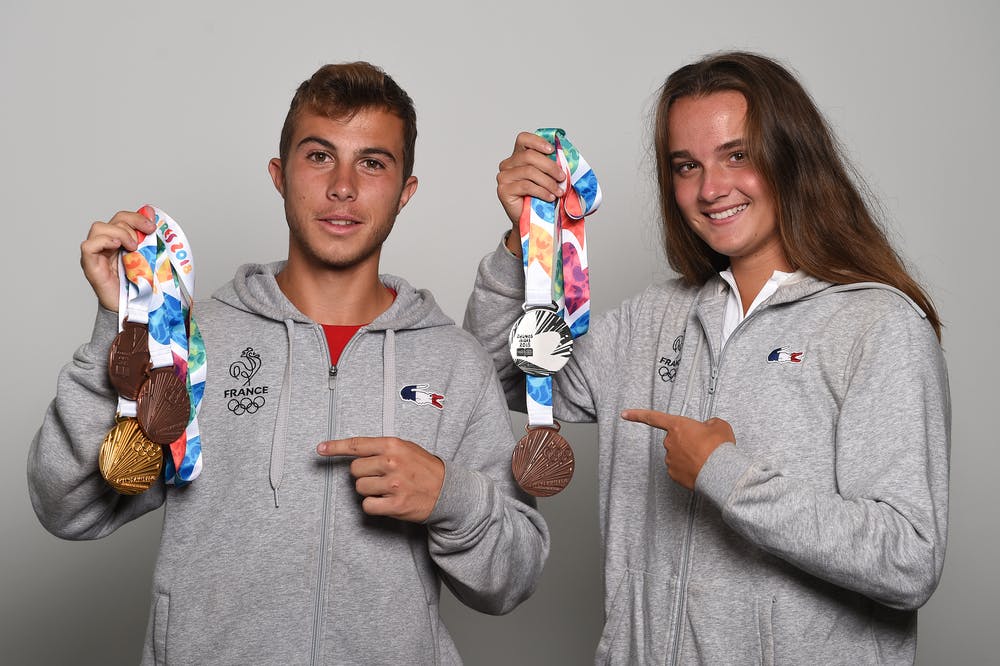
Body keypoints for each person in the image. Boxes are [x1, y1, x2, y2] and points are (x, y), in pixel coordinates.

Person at [28, 62, 549, 665]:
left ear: (406, 190)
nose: (343, 187)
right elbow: (66, 506)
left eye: (373, 163)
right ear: (280, 176)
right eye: (320, 156)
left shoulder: (454, 362)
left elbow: (513, 578)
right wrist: (124, 329)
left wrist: (450, 497)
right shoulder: (194, 340)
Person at [465, 51, 949, 664]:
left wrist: (725, 473)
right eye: (686, 165)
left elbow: (908, 559)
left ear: (792, 156)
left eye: (737, 155)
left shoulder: (877, 326)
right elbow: (491, 378)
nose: (711, 188)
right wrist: (521, 242)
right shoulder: (650, 321)